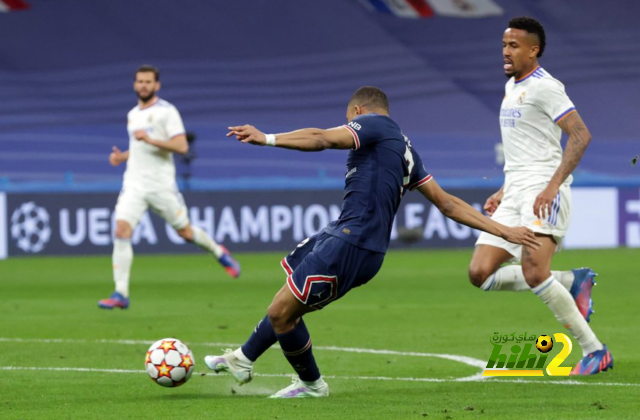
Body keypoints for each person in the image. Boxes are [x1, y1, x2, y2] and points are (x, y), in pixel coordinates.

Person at [204, 86, 540, 398]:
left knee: (282, 313)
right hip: (348, 235)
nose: (349, 125)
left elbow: (321, 138)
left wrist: (267, 138)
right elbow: (446, 203)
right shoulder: (406, 150)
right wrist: (503, 229)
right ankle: (243, 357)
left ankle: (311, 384)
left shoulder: (373, 125)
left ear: (358, 111)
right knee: (288, 296)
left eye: (350, 119)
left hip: (354, 242)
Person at [467, 17, 613, 375]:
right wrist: (503, 190)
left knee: (534, 271)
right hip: (515, 189)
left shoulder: (546, 87)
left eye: (514, 45)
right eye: (504, 44)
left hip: (543, 190)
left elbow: (580, 136)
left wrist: (552, 186)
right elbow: (525, 147)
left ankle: (595, 350)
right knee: (480, 273)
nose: (505, 51)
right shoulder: (511, 88)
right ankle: (571, 281)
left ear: (534, 50)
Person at [98, 65, 241, 310]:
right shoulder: (133, 114)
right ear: (135, 85)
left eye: (148, 82)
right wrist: (122, 157)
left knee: (185, 233)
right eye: (140, 81)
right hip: (133, 184)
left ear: (157, 86)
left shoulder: (167, 112)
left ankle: (219, 252)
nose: (143, 85)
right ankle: (121, 293)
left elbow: (182, 146)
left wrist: (150, 138)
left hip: (161, 186)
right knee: (121, 230)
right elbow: (140, 147)